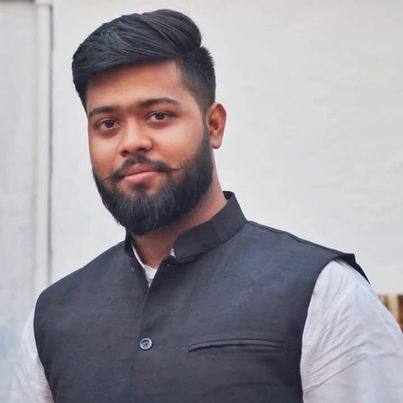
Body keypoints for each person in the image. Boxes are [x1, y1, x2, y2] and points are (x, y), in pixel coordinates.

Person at [10, 9, 403, 403]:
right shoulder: (54, 316)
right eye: (108, 124)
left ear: (213, 125)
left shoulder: (322, 293)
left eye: (158, 116)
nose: (131, 142)